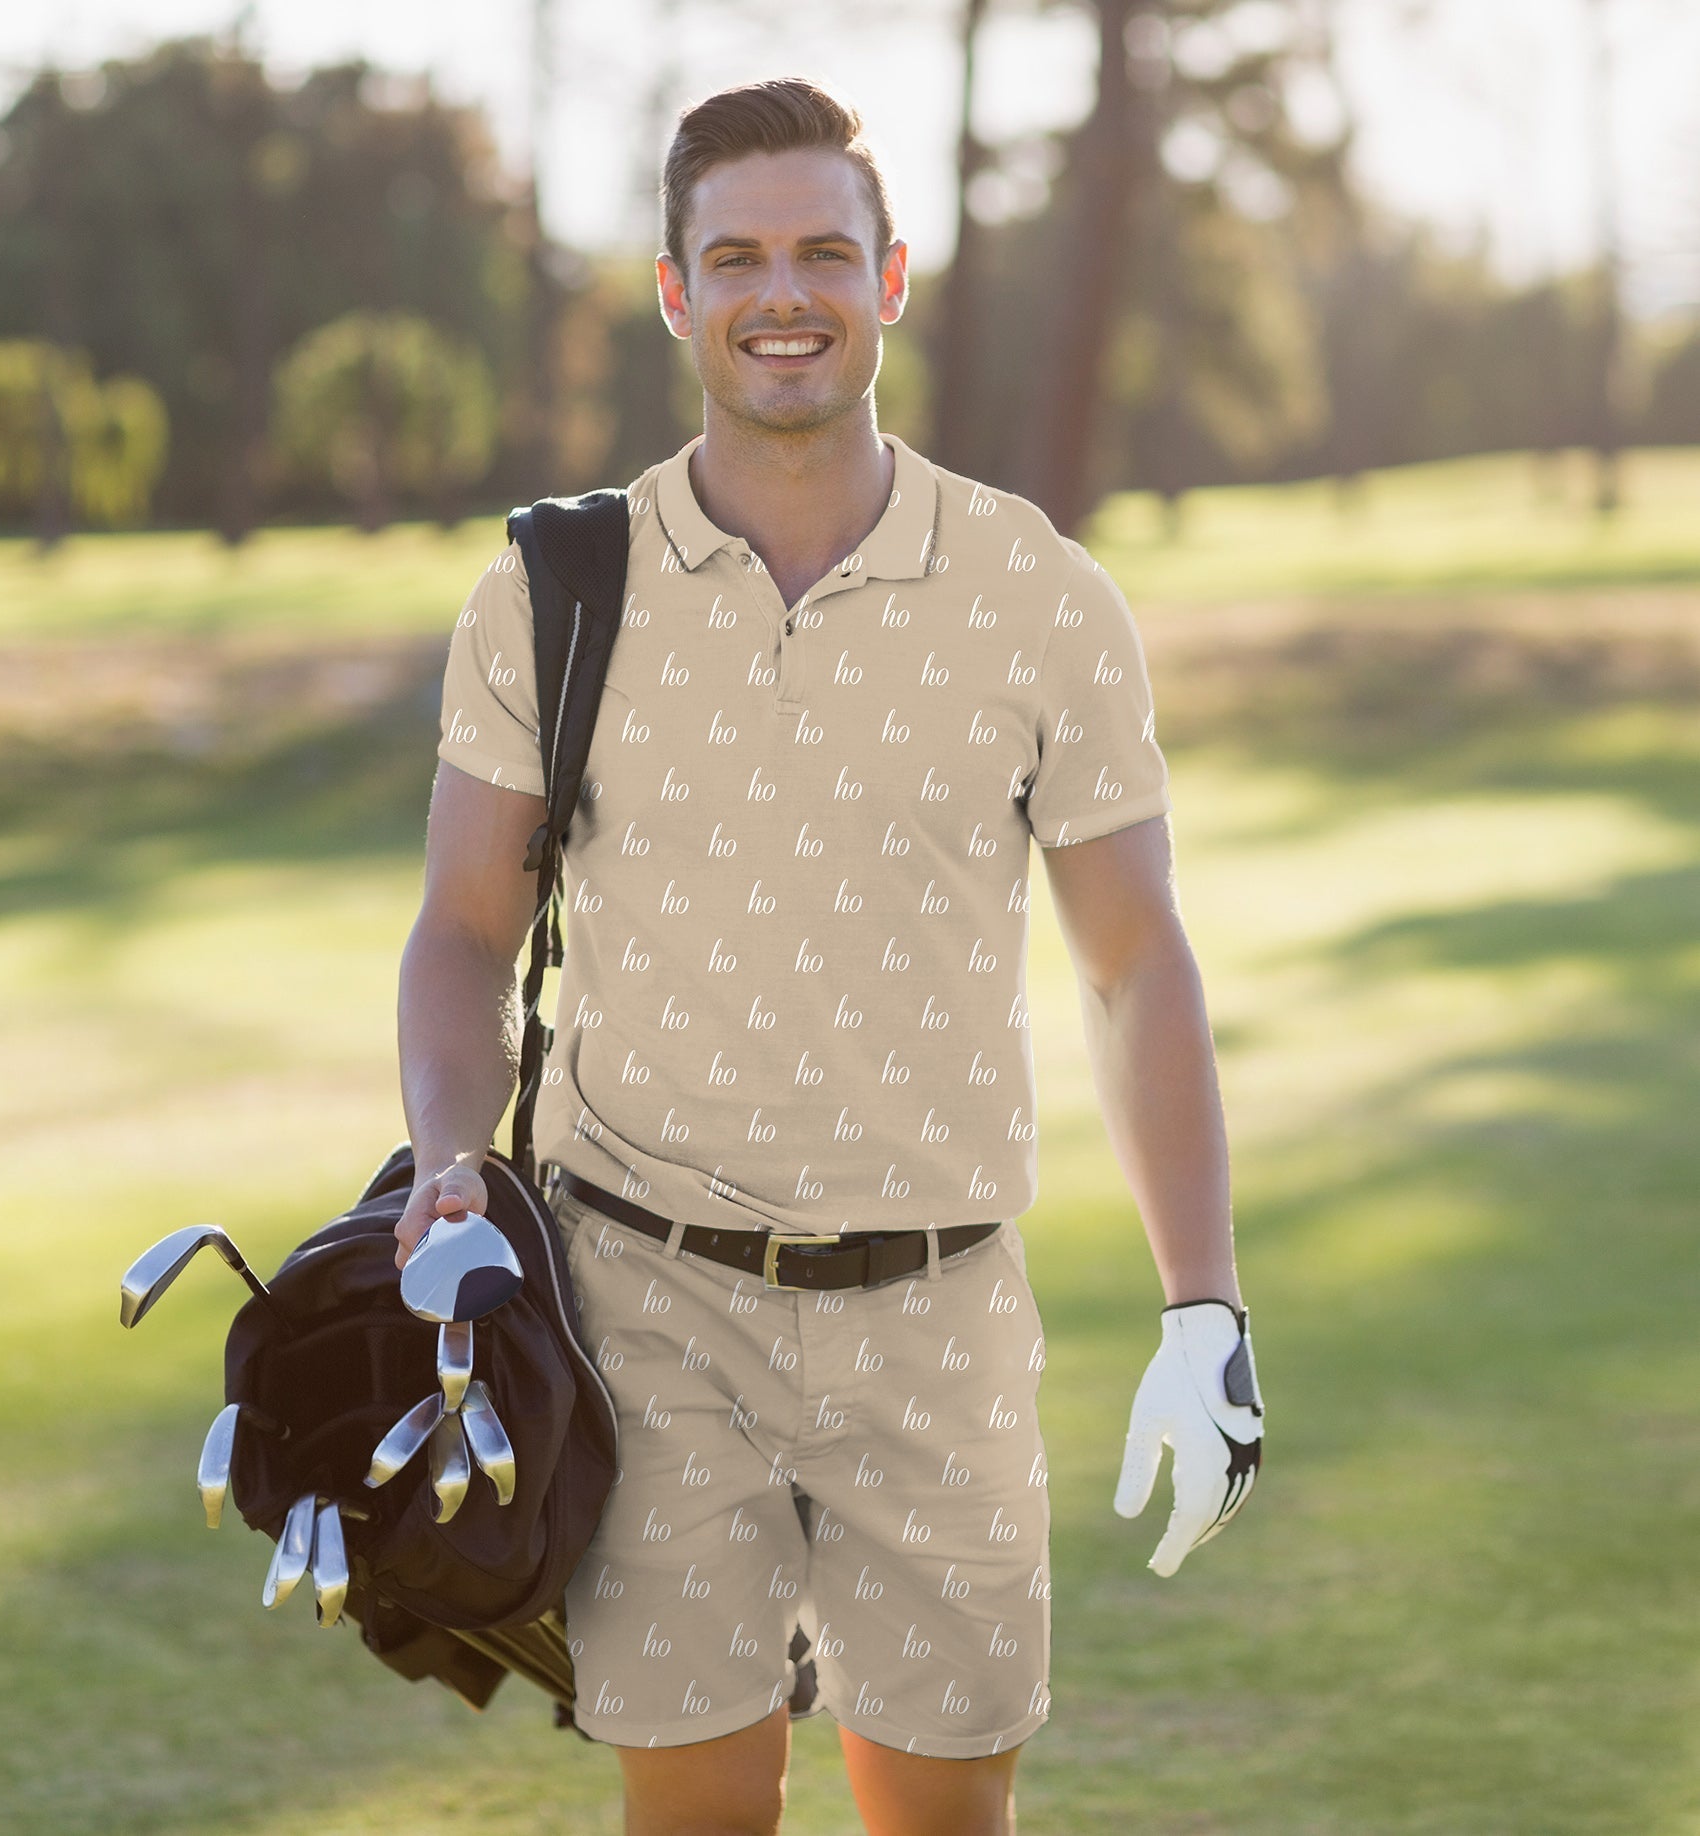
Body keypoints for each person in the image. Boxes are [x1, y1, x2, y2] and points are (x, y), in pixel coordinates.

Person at [394, 75, 1260, 1836]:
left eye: (820, 252)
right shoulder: (558, 589)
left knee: (945, 1817)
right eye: (737, 257)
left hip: (942, 1312)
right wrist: (445, 1164)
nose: (780, 290)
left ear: (893, 276)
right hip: (643, 1304)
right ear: (674, 291)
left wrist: (1206, 1309)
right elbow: (464, 931)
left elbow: (1134, 965)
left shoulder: (1042, 594)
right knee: (696, 1816)